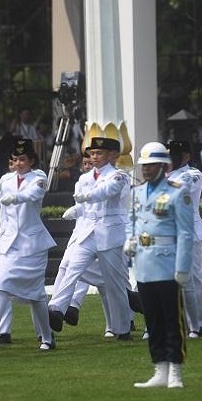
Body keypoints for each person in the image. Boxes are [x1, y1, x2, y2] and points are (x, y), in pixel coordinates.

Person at [0, 139, 56, 351]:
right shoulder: (6, 179)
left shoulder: (39, 177)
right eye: (14, 160)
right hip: (9, 243)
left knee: (36, 294)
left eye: (22, 159)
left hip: (32, 243)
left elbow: (33, 194)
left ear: (31, 160)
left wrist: (10, 196)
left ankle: (47, 336)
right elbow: (4, 198)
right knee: (0, 284)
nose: (18, 164)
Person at [48, 137, 132, 339]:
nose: (94, 157)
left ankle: (122, 327)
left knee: (114, 283)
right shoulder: (84, 179)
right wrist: (76, 209)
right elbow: (84, 206)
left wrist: (89, 197)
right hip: (87, 231)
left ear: (113, 155)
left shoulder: (119, 176)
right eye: (92, 153)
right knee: (72, 267)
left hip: (110, 231)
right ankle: (57, 308)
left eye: (99, 153)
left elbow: (107, 191)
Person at [125, 142, 193, 389]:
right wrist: (129, 241)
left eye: (151, 165)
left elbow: (185, 233)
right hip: (144, 262)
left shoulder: (177, 191)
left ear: (163, 166)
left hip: (167, 262)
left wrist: (183, 267)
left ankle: (175, 370)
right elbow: (131, 222)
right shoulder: (137, 192)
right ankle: (159, 369)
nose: (146, 169)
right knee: (152, 321)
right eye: (144, 165)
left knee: (172, 319)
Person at [167, 140, 202, 338]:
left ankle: (197, 324)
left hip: (190, 233)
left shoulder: (193, 174)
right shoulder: (163, 174)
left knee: (191, 280)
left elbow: (178, 188)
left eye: (174, 154)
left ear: (186, 156)